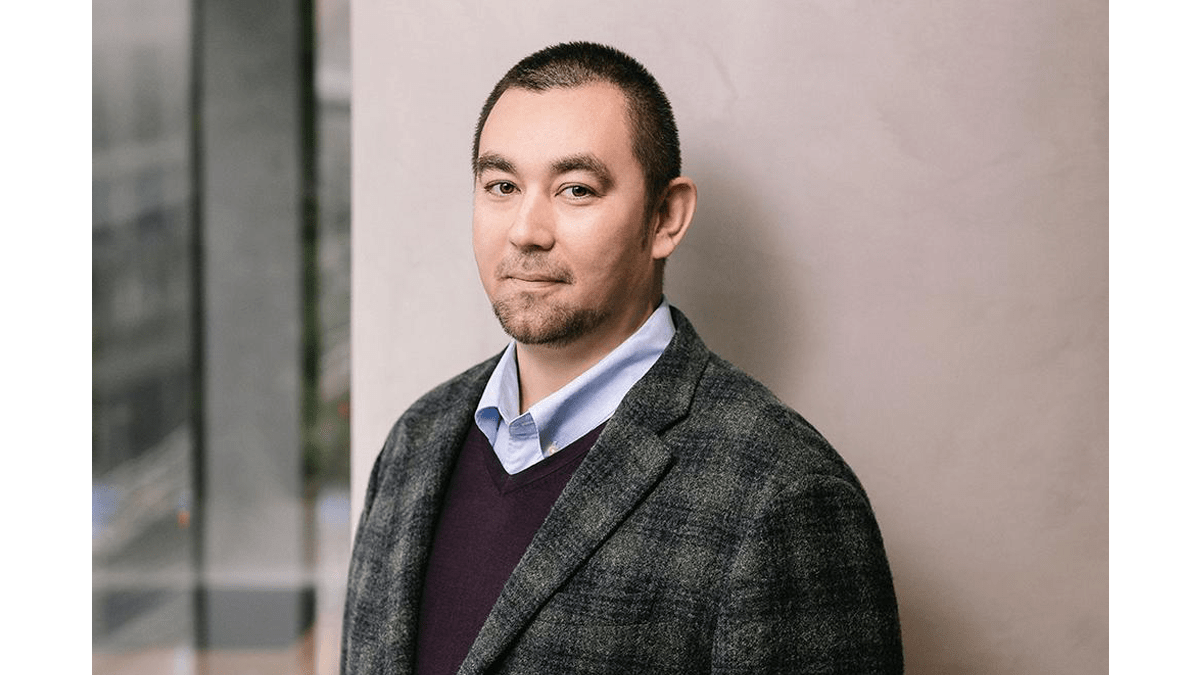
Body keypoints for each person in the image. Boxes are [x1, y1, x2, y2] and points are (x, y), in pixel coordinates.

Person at [342, 42, 903, 675]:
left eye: (576, 190)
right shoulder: (415, 441)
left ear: (666, 218)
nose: (525, 231)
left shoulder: (784, 492)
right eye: (502, 186)